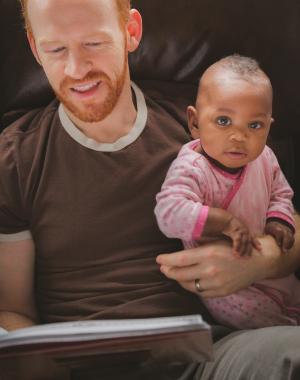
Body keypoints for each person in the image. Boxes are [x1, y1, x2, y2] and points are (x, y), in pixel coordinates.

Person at [0, 0, 300, 379]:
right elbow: (14, 310)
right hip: (76, 370)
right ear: (34, 48)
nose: (76, 69)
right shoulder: (15, 158)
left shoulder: (200, 123)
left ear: (131, 32)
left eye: (93, 43)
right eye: (56, 49)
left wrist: (262, 259)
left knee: (292, 353)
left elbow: (287, 218)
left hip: (205, 359)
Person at [155, 55, 300, 329]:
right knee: (268, 325)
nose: (238, 136)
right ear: (195, 122)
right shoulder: (192, 168)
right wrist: (224, 221)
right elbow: (168, 214)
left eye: (254, 125)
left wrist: (279, 220)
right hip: (229, 288)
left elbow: (280, 194)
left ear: (269, 126)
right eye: (223, 121)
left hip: (273, 271)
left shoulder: (265, 158)